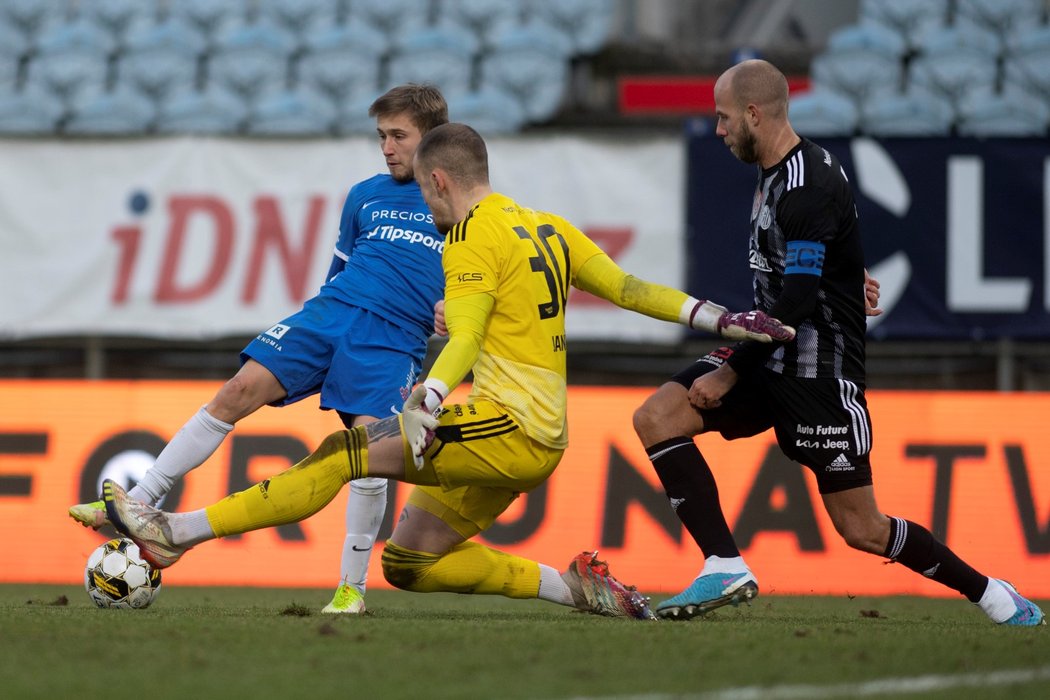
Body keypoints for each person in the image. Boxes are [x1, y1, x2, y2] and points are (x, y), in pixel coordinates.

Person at [100, 122, 795, 620]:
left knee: (347, 452)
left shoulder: (465, 235)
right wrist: (721, 317)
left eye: (429, 199)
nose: (430, 213)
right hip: (537, 436)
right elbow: (633, 290)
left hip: (508, 426)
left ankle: (176, 531)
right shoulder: (544, 225)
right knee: (409, 563)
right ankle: (579, 590)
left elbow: (460, 337)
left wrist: (429, 397)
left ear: (439, 181)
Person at [632, 59, 1044, 626]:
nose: (720, 130)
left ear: (754, 113)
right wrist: (851, 277)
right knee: (657, 416)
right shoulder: (783, 170)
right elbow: (826, 249)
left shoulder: (810, 183)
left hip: (818, 374)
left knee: (862, 529)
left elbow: (798, 301)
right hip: (769, 355)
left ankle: (993, 593)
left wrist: (728, 372)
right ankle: (723, 564)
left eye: (725, 118)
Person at [70, 84, 450, 615]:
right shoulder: (364, 194)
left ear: (430, 138)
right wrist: (323, 318)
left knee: (368, 456)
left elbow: (474, 293)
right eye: (381, 136)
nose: (386, 147)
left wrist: (451, 317)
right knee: (238, 388)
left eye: (397, 136)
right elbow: (337, 271)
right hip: (330, 315)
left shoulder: (457, 207)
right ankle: (139, 502)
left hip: (391, 338)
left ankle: (351, 589)